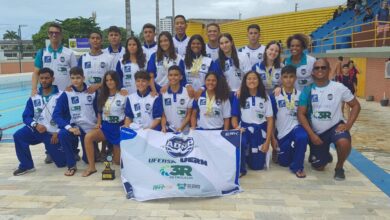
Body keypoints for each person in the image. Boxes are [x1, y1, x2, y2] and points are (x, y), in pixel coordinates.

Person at [298, 58, 361, 180]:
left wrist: (348, 125)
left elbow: (356, 105)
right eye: (317, 68)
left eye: (323, 67)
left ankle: (339, 167)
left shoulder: (338, 87)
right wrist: (312, 135)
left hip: (335, 126)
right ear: (313, 72)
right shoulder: (307, 90)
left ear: (329, 70)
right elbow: (301, 113)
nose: (320, 70)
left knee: (344, 142)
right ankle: (325, 154)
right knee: (319, 167)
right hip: (317, 133)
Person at [13, 68, 67, 176]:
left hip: (53, 134)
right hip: (37, 130)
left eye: (47, 78)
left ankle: (63, 151)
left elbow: (67, 116)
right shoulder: (34, 96)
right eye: (41, 78)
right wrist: (35, 125)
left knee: (62, 163)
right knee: (18, 135)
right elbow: (26, 116)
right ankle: (26, 165)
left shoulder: (62, 95)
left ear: (52, 79)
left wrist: (58, 131)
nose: (44, 81)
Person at [53, 67, 98, 176]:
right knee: (63, 134)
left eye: (78, 78)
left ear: (83, 78)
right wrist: (69, 127)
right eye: (73, 78)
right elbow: (56, 115)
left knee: (89, 160)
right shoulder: (67, 93)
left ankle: (91, 153)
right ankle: (71, 165)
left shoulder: (92, 92)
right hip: (75, 127)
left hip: (90, 129)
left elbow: (99, 111)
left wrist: (98, 125)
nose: (75, 80)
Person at [82, 71, 127, 177]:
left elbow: (128, 114)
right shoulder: (102, 95)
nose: (109, 82)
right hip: (106, 127)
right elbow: (99, 112)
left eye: (111, 79)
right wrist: (98, 123)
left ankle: (109, 152)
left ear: (116, 80)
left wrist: (126, 126)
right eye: (107, 80)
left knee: (116, 161)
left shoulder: (124, 95)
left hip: (118, 128)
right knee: (88, 137)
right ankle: (91, 167)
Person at [231, 71, 274, 176]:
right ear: (245, 81)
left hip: (260, 132)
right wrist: (237, 127)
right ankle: (241, 170)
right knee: (240, 142)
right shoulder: (239, 96)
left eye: (254, 78)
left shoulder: (265, 97)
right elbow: (234, 117)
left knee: (257, 167)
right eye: (249, 78)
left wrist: (268, 142)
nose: (252, 81)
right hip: (245, 130)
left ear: (259, 81)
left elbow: (270, 120)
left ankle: (250, 158)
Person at [270, 65, 308, 178]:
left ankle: (298, 167)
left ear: (295, 78)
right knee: (283, 163)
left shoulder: (301, 95)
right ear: (281, 78)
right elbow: (271, 119)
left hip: (296, 127)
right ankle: (284, 152)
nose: (288, 79)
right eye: (285, 77)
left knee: (302, 137)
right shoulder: (275, 96)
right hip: (282, 133)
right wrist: (273, 138)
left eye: (291, 77)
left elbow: (304, 114)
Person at [32, 23, 77, 93]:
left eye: (56, 33)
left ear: (61, 35)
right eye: (51, 32)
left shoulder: (69, 53)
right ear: (48, 34)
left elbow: (76, 73)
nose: (54, 34)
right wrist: (34, 89)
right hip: (47, 94)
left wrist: (73, 86)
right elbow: (36, 73)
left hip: (66, 93)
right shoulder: (41, 53)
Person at [161, 66, 193, 132]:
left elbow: (189, 114)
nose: (173, 77)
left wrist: (181, 128)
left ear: (181, 77)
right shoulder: (164, 93)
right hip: (168, 131)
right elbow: (164, 115)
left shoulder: (187, 93)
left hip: (184, 131)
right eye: (170, 75)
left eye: (176, 75)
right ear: (168, 77)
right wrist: (163, 126)